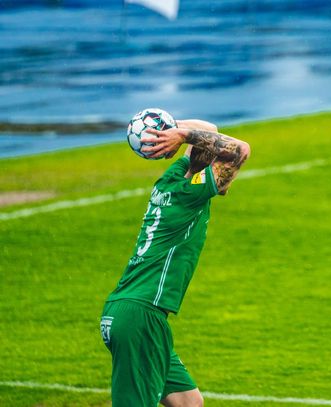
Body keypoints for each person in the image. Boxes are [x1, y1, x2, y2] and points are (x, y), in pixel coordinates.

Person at [100, 119, 251, 407]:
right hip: (141, 317)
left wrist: (168, 128)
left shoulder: (170, 180)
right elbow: (240, 150)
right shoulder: (190, 193)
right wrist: (181, 134)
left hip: (129, 311)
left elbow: (210, 130)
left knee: (189, 403)